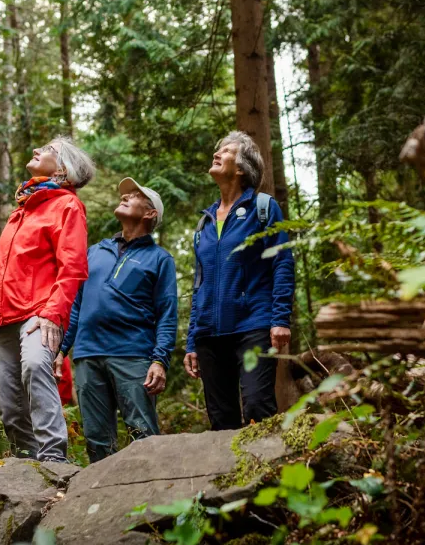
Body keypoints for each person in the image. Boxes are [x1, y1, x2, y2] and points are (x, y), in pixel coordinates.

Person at [0, 137, 94, 463]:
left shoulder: (67, 206)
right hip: (5, 319)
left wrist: (53, 314)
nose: (37, 150)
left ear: (62, 168)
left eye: (49, 150)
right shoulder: (21, 211)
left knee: (34, 366)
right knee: (9, 402)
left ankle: (54, 460)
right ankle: (27, 468)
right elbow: (5, 272)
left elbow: (73, 267)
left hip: (40, 313)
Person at [58, 178, 178, 462]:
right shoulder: (95, 251)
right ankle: (101, 502)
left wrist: (160, 360)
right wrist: (62, 350)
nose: (125, 197)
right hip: (88, 355)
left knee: (142, 433)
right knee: (97, 439)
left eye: (134, 196)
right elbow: (77, 305)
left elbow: (167, 313)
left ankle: (149, 498)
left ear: (150, 214)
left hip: (133, 355)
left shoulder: (160, 259)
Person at [183, 131, 295, 430]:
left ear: (243, 168)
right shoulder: (204, 222)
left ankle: (269, 475)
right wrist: (192, 339)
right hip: (209, 334)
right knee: (221, 420)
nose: (217, 153)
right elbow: (200, 284)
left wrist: (280, 319)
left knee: (258, 406)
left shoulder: (263, 208)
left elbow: (282, 262)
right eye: (218, 149)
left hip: (253, 325)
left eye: (227, 150)